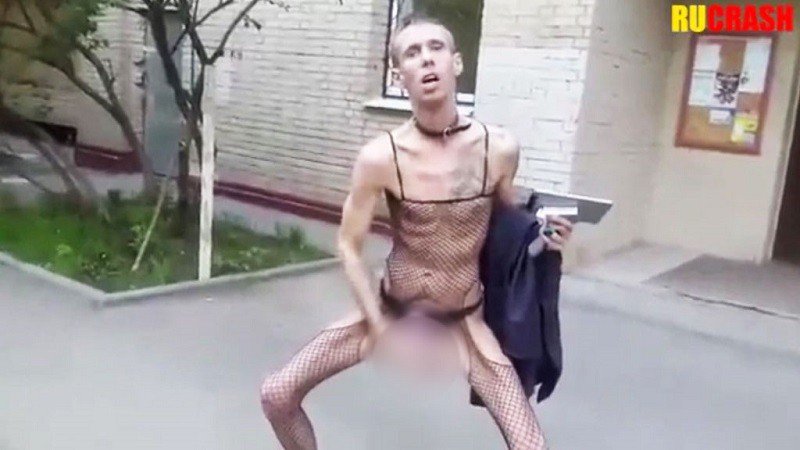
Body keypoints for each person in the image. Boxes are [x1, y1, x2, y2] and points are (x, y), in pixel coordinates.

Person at [260, 15, 573, 450]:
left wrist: (544, 239)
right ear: (398, 76)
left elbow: (508, 225)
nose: (426, 59)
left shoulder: (498, 149)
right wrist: (379, 327)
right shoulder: (380, 157)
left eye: (436, 48)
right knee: (277, 395)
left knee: (531, 446)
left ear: (456, 63)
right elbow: (348, 245)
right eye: (413, 52)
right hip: (390, 311)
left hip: (465, 322)